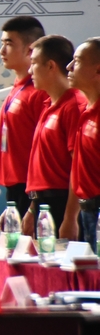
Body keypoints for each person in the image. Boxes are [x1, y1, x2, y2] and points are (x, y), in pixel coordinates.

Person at [23, 35, 86, 239]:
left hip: (61, 202)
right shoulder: (48, 105)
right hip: (43, 205)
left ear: (50, 65)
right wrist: (33, 208)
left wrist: (70, 218)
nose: (29, 71)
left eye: (33, 63)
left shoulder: (74, 106)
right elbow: (43, 168)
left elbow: (79, 167)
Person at [0, 16, 48, 223]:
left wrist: (34, 206)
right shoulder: (18, 89)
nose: (2, 51)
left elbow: (47, 153)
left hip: (33, 191)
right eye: (2, 43)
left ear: (30, 49)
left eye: (9, 44)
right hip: (16, 188)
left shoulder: (40, 93)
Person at [67, 38, 100, 253]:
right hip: (86, 212)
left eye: (77, 61)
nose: (69, 67)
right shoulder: (86, 111)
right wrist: (71, 216)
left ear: (98, 70)